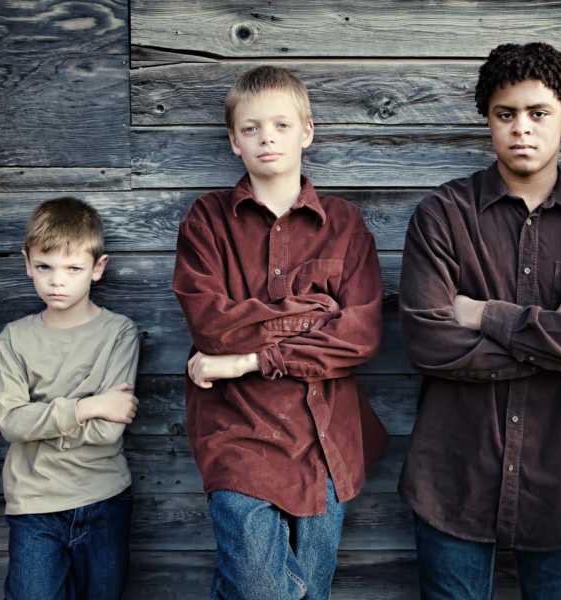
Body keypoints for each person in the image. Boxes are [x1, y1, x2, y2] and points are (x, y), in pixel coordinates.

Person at [398, 42, 561, 599]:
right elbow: (429, 341)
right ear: (488, 120)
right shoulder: (443, 215)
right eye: (506, 115)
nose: (521, 129)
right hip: (454, 475)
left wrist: (482, 313)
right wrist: (559, 332)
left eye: (538, 113)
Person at [171, 65, 387, 600]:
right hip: (236, 434)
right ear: (233, 142)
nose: (267, 137)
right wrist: (316, 313)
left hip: (323, 441)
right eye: (251, 128)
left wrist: (250, 359)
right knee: (267, 591)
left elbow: (358, 335)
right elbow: (212, 326)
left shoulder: (345, 224)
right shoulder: (206, 221)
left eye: (281, 125)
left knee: (307, 591)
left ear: (307, 132)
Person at [0, 196, 139, 599]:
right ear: (27, 264)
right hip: (34, 507)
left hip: (103, 497)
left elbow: (108, 432)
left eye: (72, 269)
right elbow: (11, 423)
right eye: (44, 267)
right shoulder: (15, 338)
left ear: (97, 269)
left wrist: (39, 422)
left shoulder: (118, 333)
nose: (57, 281)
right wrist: (87, 406)